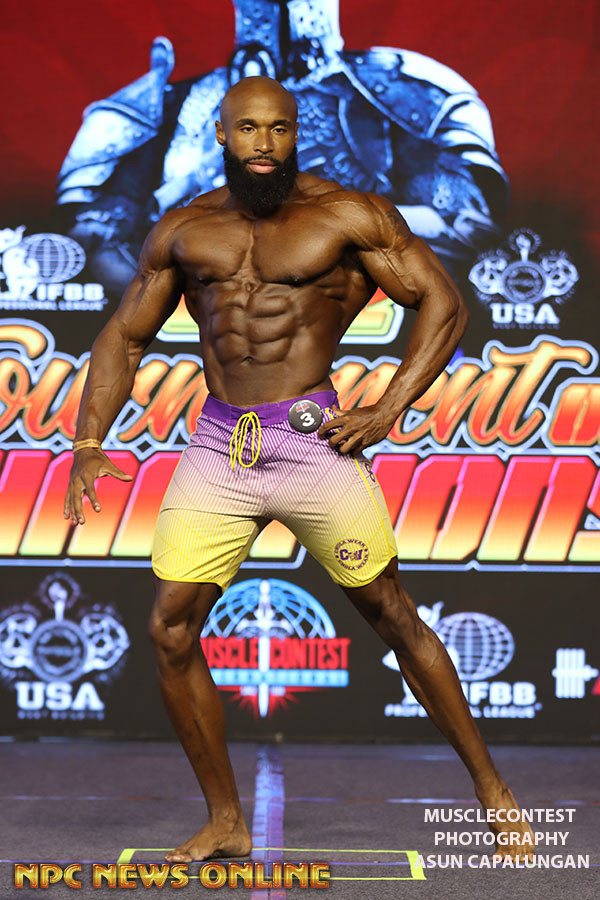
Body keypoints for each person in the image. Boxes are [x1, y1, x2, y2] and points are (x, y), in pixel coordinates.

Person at [64, 76, 533, 864]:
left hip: (313, 441)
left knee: (392, 613)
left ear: (295, 133)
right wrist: (87, 442)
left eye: (278, 128)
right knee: (169, 628)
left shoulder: (347, 216)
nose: (264, 143)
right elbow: (125, 334)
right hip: (222, 444)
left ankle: (493, 791)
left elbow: (443, 302)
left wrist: (387, 409)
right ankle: (225, 820)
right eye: (248, 128)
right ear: (221, 134)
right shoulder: (185, 228)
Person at [55, 0, 507, 294]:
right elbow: (96, 242)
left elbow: (465, 228)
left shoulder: (392, 95)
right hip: (200, 337)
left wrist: (339, 238)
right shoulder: (177, 103)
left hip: (360, 331)